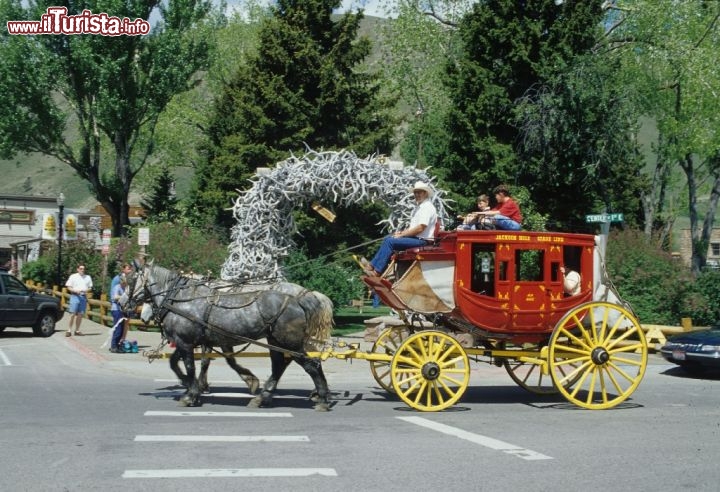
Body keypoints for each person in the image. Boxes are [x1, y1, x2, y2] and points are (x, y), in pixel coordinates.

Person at [359, 181, 438, 277]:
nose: (416, 194)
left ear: (425, 193)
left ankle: (377, 272)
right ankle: (371, 266)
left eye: (419, 192)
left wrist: (402, 235)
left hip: (422, 241)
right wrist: (401, 232)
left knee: (390, 242)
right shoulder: (421, 207)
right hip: (416, 239)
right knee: (388, 238)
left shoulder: (427, 207)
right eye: (415, 192)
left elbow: (420, 228)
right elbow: (414, 228)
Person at [64, 264, 93, 337]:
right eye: (81, 268)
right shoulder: (73, 276)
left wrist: (87, 290)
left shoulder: (88, 277)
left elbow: (90, 287)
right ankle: (69, 330)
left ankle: (77, 330)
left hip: (83, 297)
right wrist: (75, 291)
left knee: (80, 314)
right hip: (75, 296)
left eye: (83, 269)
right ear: (77, 269)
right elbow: (68, 286)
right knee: (72, 314)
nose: (82, 270)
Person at [109, 275, 128, 353]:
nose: (125, 284)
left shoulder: (125, 288)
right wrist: (124, 296)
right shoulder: (117, 287)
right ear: (121, 281)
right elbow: (115, 297)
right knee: (118, 329)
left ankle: (117, 345)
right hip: (116, 309)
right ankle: (113, 346)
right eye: (124, 282)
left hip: (122, 310)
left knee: (122, 328)